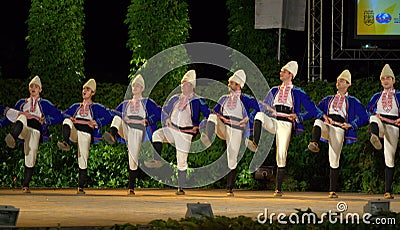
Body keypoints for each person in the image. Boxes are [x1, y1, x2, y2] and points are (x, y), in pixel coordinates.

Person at [246, 61, 324, 197]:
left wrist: (303, 116)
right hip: (274, 120)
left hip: (286, 123)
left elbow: (311, 109)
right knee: (259, 115)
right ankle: (255, 143)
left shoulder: (298, 91)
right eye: (281, 71)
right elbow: (263, 106)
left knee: (281, 154)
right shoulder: (274, 90)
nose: (281, 73)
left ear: (290, 75)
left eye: (284, 71)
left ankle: (278, 188)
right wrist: (250, 118)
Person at [307, 70, 369, 198]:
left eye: (341, 81)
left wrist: (352, 124)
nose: (338, 82)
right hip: (328, 125)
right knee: (318, 121)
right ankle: (314, 142)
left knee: (334, 158)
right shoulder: (328, 99)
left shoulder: (352, 100)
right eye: (338, 80)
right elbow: (315, 109)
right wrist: (321, 115)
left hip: (340, 128)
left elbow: (364, 116)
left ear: (348, 84)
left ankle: (332, 190)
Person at [149, 70, 210, 195]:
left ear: (191, 86)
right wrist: (166, 119)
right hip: (172, 129)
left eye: (185, 84)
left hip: (186, 132)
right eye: (182, 84)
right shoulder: (175, 98)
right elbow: (164, 110)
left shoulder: (198, 100)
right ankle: (157, 160)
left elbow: (208, 114)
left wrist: (199, 126)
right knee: (157, 134)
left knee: (181, 160)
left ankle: (180, 187)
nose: (182, 86)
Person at [201, 69, 259, 196]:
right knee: (212, 117)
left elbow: (260, 108)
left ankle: (229, 188)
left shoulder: (246, 98)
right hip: (223, 126)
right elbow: (213, 112)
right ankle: (208, 139)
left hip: (236, 129)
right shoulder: (223, 98)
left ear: (238, 85)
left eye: (231, 83)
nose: (229, 85)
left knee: (232, 157)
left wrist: (248, 118)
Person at [103, 74, 162, 195]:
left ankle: (131, 188)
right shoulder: (126, 103)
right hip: (126, 128)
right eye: (134, 85)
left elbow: (159, 112)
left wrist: (147, 121)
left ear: (142, 89)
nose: (135, 87)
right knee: (117, 118)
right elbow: (113, 112)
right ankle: (112, 136)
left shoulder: (147, 102)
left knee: (133, 158)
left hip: (138, 130)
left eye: (138, 86)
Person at [3, 76, 64, 193]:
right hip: (23, 128)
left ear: (40, 89)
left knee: (30, 155)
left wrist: (46, 120)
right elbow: (9, 115)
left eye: (36, 87)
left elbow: (58, 115)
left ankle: (25, 185)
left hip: (35, 130)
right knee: (21, 116)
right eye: (31, 86)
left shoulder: (45, 103)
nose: (33, 88)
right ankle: (12, 137)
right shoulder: (22, 103)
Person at [57, 78, 112, 195]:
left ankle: (80, 186)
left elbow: (109, 115)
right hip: (75, 131)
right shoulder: (76, 106)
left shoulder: (96, 107)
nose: (84, 91)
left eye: (87, 89)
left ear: (92, 93)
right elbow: (63, 114)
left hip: (86, 133)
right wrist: (69, 117)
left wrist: (97, 122)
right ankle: (65, 142)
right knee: (67, 120)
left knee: (82, 157)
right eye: (83, 89)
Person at [366, 64, 400, 199]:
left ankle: (387, 191)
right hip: (380, 123)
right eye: (383, 78)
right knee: (373, 118)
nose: (385, 80)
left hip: (393, 126)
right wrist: (374, 114)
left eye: (388, 78)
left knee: (389, 158)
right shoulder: (376, 96)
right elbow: (367, 110)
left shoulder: (398, 95)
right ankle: (374, 137)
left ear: (393, 80)